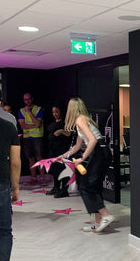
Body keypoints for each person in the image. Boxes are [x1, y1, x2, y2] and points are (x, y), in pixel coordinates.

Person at [59, 97, 114, 233]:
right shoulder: (82, 120)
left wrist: (82, 158)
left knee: (87, 185)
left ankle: (106, 215)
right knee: (93, 186)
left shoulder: (80, 120)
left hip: (100, 152)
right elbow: (77, 146)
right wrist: (63, 156)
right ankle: (98, 222)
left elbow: (93, 140)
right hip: (102, 152)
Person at [0, 88, 20, 261]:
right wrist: (16, 188)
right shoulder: (8, 126)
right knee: (3, 233)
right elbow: (15, 162)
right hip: (0, 185)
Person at [18, 92, 45, 184]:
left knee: (39, 158)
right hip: (27, 138)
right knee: (30, 159)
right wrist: (35, 125)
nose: (27, 101)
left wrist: (29, 112)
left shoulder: (38, 109)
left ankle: (42, 177)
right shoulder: (21, 111)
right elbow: (23, 126)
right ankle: (33, 177)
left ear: (32, 99)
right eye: (25, 100)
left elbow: (38, 123)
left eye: (29, 99)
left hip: (37, 137)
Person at [46, 104, 71, 198]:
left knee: (62, 169)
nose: (55, 114)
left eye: (56, 112)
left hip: (62, 149)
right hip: (53, 149)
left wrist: (61, 131)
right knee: (55, 169)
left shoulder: (65, 122)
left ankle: (64, 189)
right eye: (53, 112)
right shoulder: (52, 122)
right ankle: (56, 187)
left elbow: (69, 133)